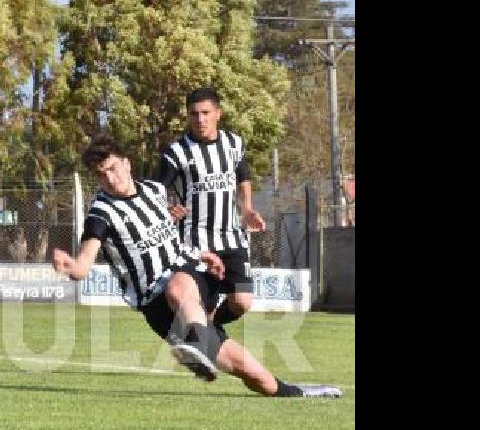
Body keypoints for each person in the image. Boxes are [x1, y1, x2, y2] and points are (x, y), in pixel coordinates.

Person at [52, 135, 340, 397]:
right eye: (101, 176)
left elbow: (168, 239)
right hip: (156, 307)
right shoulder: (100, 215)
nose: (110, 179)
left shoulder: (154, 191)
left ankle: (196, 341)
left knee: (179, 286)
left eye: (113, 168)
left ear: (127, 164)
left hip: (186, 278)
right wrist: (70, 267)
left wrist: (200, 254)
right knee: (252, 373)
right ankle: (297, 392)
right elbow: (84, 264)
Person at [156, 87, 264, 332]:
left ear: (218, 113)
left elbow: (243, 176)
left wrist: (247, 209)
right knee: (194, 300)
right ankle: (202, 332)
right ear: (188, 116)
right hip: (195, 243)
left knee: (242, 301)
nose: (200, 119)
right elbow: (155, 189)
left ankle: (210, 325)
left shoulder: (233, 143)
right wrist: (167, 209)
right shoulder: (176, 153)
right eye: (194, 114)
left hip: (232, 238)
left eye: (205, 113)